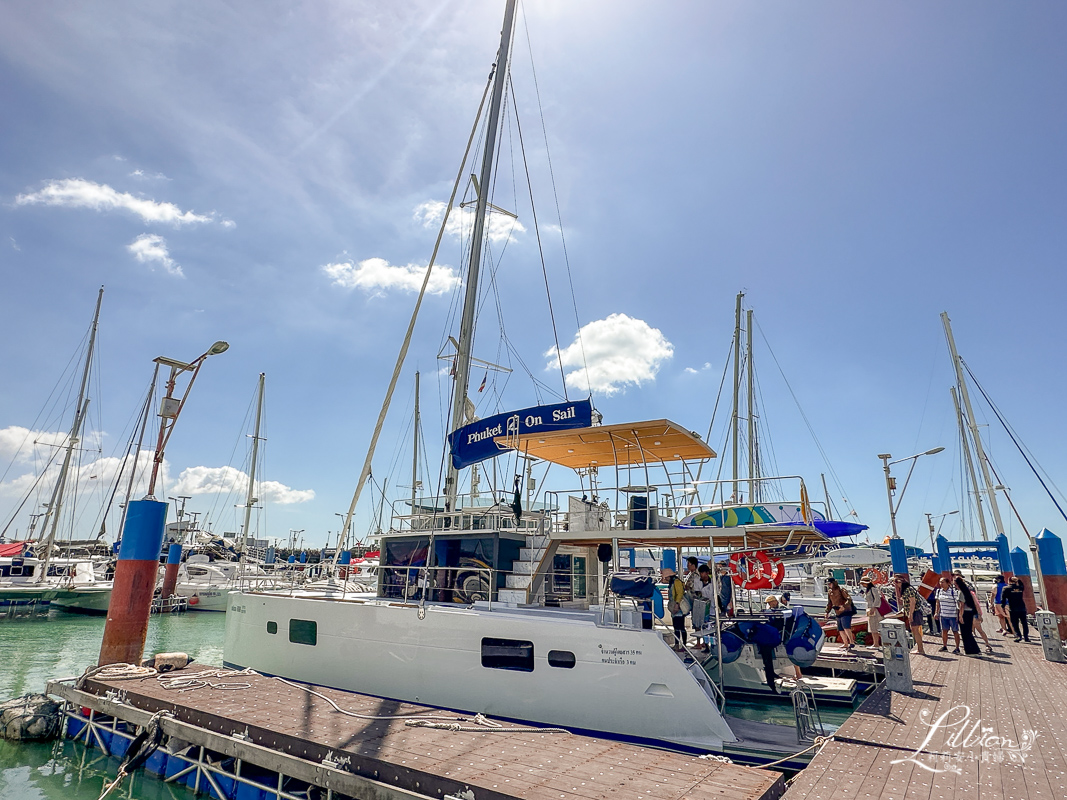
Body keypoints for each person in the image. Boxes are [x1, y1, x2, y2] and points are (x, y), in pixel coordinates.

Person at [894, 576, 927, 655]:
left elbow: (912, 602)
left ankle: (920, 649)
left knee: (915, 631)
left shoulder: (908, 589)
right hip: (912, 611)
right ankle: (920, 648)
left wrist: (910, 614)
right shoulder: (907, 589)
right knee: (914, 630)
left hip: (914, 612)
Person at [824, 577, 857, 649]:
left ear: (834, 583)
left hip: (846, 611)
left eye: (830, 584)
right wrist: (827, 612)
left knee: (846, 627)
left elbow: (849, 599)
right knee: (840, 629)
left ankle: (851, 642)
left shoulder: (841, 590)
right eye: (828, 584)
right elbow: (829, 603)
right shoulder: (830, 592)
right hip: (837, 611)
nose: (829, 585)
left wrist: (844, 606)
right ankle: (845, 643)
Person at [955, 574, 982, 656]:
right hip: (970, 612)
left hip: (965, 613)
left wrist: (960, 616)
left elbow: (961, 605)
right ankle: (975, 649)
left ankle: (970, 650)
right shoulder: (967, 590)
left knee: (965, 632)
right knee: (968, 632)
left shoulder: (961, 592)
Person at [662, 567, 688, 650]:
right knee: (676, 627)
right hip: (674, 608)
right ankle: (677, 644)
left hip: (678, 608)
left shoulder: (676, 582)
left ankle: (683, 645)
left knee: (680, 627)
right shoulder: (673, 582)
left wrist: (677, 604)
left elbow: (680, 593)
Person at [935, 577, 961, 654]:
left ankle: (957, 647)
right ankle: (945, 646)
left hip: (952, 615)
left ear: (947, 583)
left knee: (955, 631)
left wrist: (959, 614)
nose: (941, 584)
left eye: (943, 582)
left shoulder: (953, 592)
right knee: (944, 631)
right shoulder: (939, 591)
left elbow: (958, 603)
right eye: (940, 582)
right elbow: (937, 602)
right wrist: (936, 612)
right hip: (943, 614)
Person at [859, 575, 885, 647]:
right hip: (870, 609)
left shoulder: (873, 589)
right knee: (872, 627)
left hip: (875, 610)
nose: (862, 585)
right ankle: (876, 643)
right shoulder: (868, 590)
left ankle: (877, 643)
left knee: (875, 627)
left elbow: (877, 599)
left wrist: (873, 607)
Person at [692, 564, 713, 651]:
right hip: (700, 606)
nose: (701, 575)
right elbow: (697, 592)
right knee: (699, 626)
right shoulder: (697, 581)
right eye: (700, 573)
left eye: (703, 573)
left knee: (710, 628)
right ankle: (704, 644)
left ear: (707, 573)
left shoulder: (713, 583)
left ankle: (711, 645)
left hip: (711, 608)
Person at [1004, 576, 1031, 642]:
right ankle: (1026, 637)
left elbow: (1003, 598)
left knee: (1015, 623)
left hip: (1013, 608)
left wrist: (1003, 607)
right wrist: (1018, 580)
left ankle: (1018, 636)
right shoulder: (1020, 588)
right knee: (1024, 623)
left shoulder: (1006, 588)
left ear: (1009, 581)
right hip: (1022, 607)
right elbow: (1022, 584)